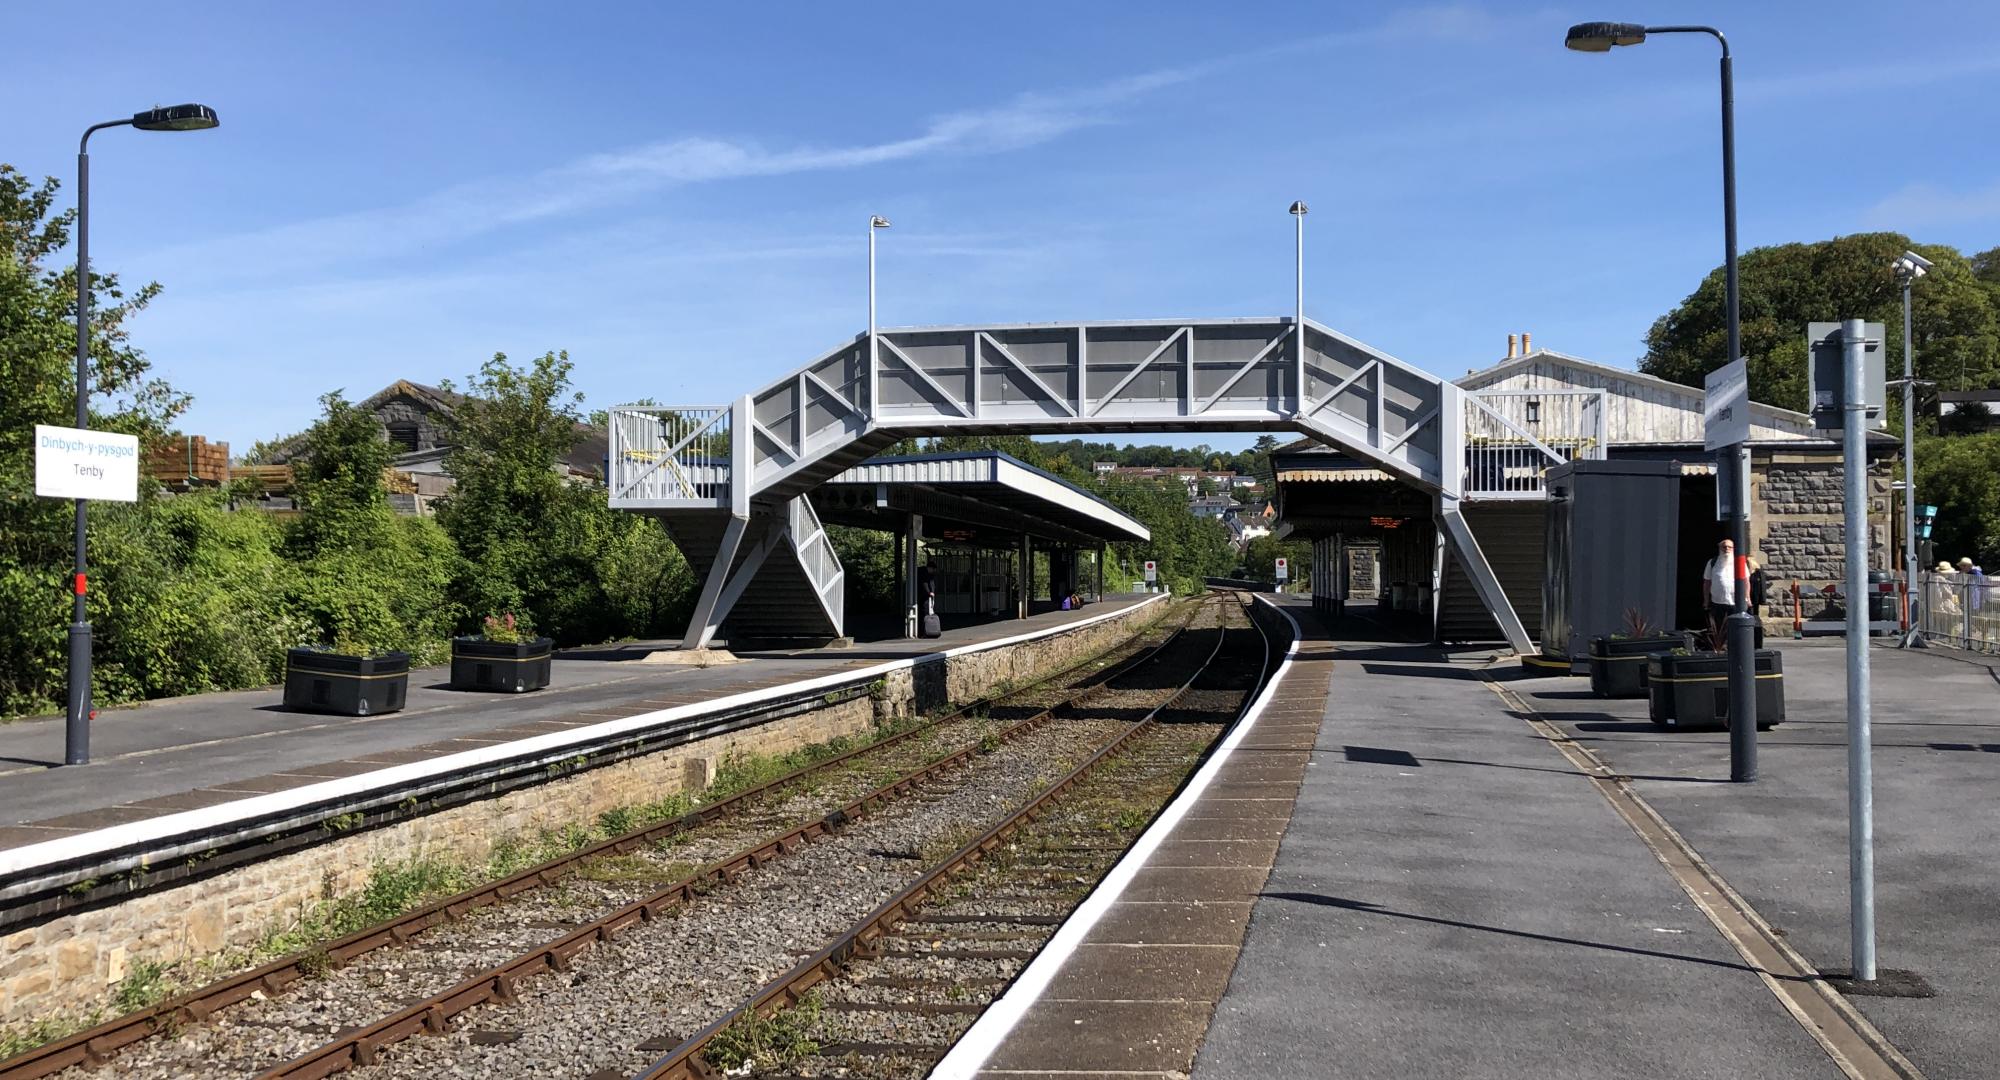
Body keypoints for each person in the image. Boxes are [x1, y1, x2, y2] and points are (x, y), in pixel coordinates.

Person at [1700, 538, 1739, 649]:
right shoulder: (1712, 562)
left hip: (1735, 601)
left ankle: (1735, 646)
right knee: (1719, 627)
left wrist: (1747, 598)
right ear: (1720, 548)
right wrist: (1706, 599)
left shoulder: (1739, 562)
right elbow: (1707, 582)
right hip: (1717, 601)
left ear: (1733, 549)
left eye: (1729, 547)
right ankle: (1721, 647)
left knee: (1736, 626)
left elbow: (1746, 581)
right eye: (1724, 547)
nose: (1727, 549)